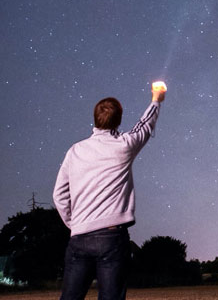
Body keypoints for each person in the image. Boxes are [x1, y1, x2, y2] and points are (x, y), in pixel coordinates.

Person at [53, 84, 165, 300]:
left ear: (94, 119)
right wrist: (156, 99)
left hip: (79, 238)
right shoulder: (124, 145)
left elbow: (59, 194)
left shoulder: (75, 150)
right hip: (112, 238)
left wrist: (76, 223)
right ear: (119, 120)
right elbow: (145, 125)